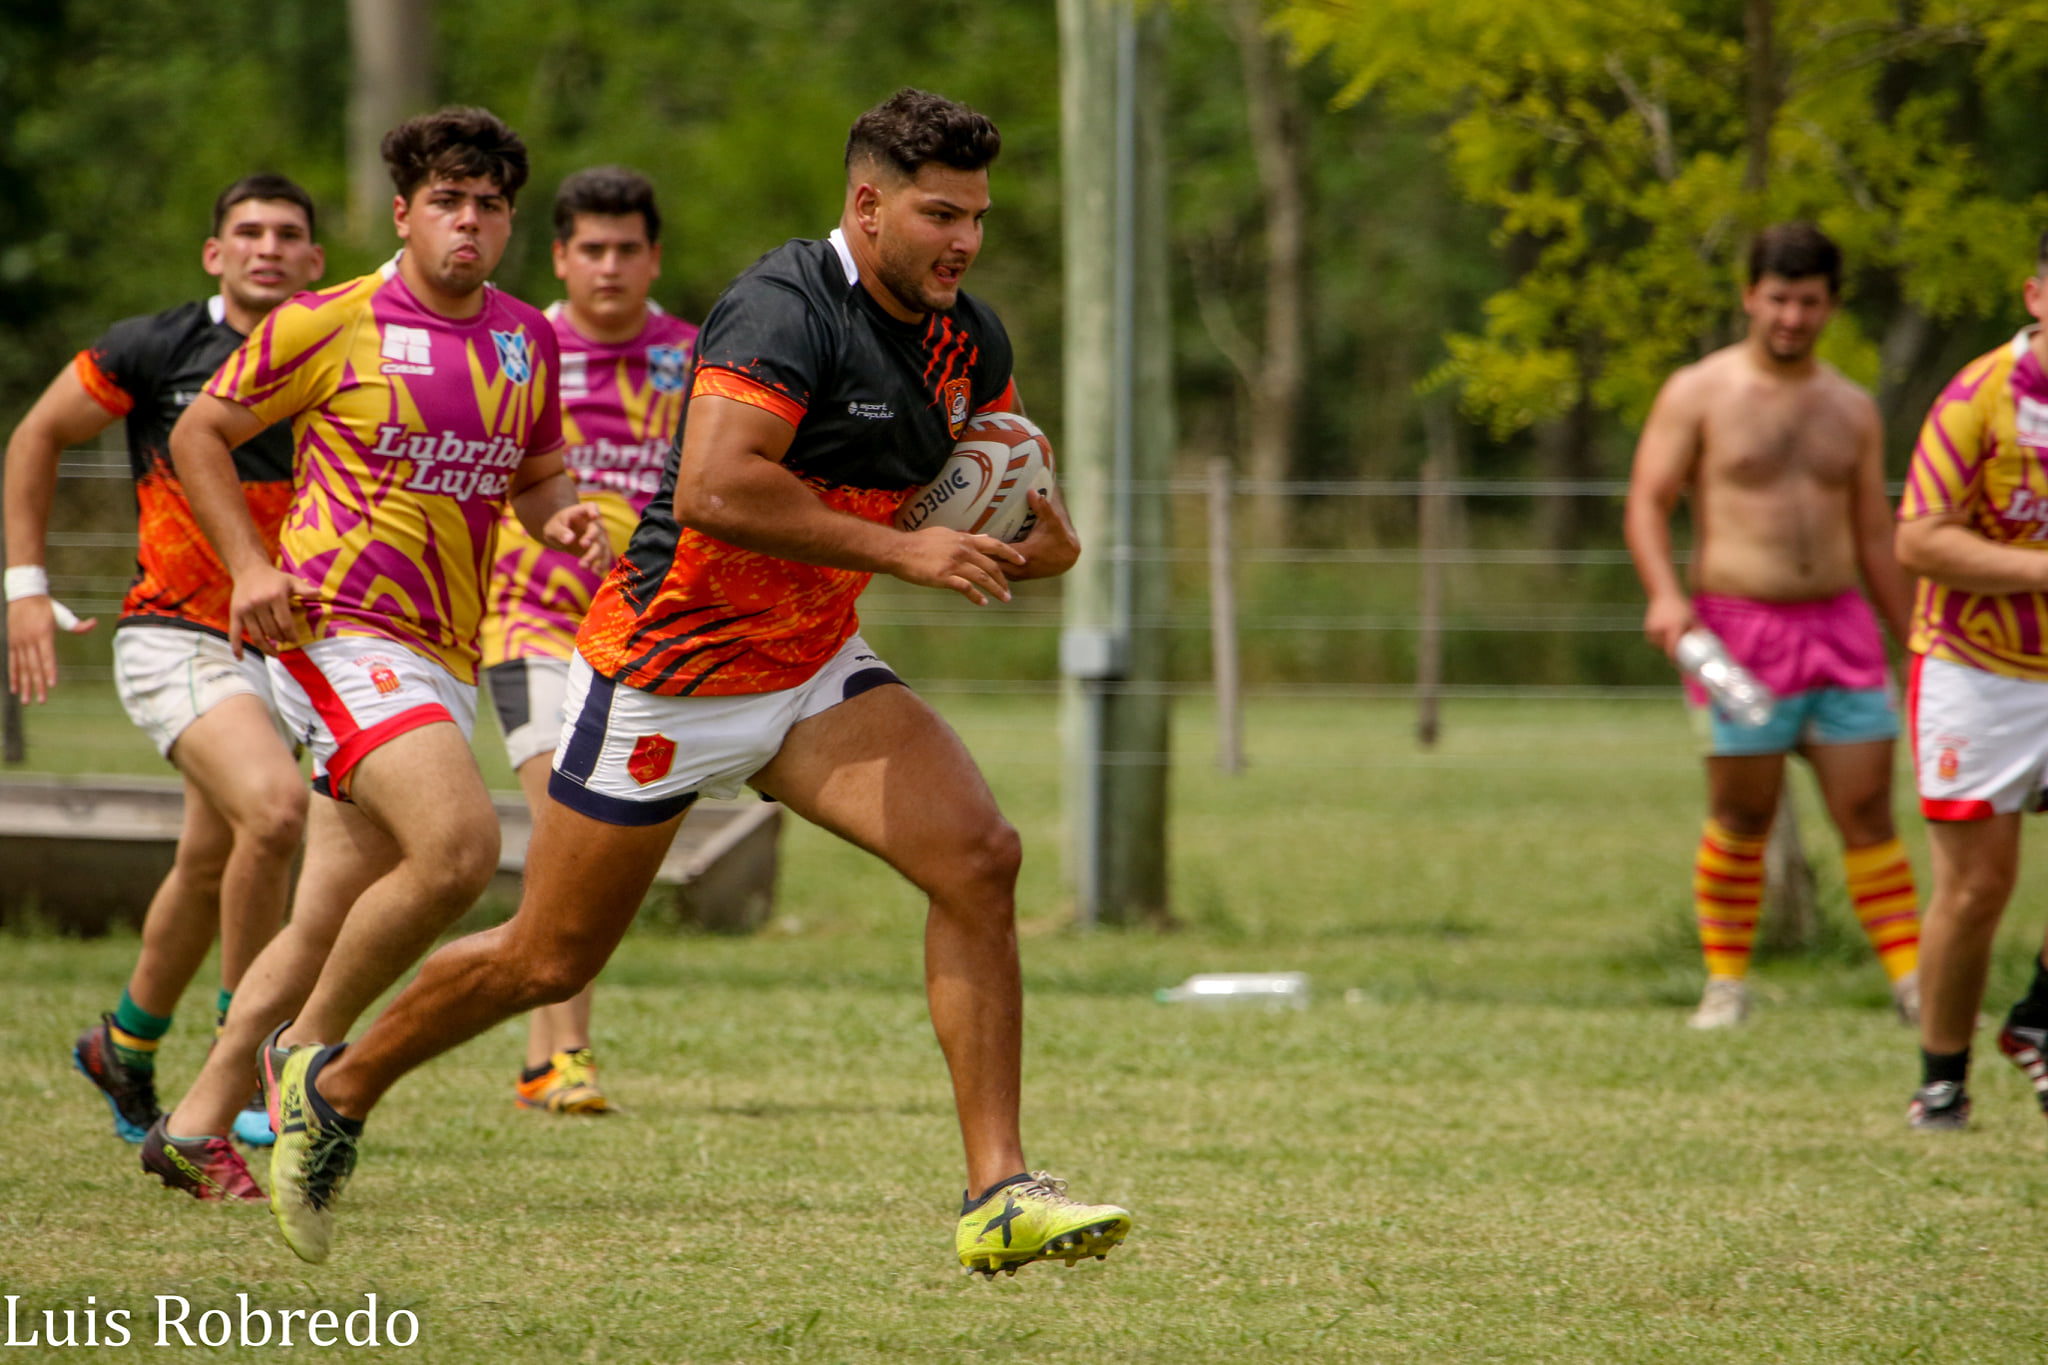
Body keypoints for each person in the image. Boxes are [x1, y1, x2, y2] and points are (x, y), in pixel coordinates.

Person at [263, 88, 1132, 1275]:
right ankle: (340, 1085)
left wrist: (1044, 540)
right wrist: (903, 550)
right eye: (939, 214)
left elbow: (1017, 476)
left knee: (979, 856)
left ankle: (998, 1192)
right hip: (670, 674)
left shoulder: (962, 333)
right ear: (867, 204)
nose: (964, 241)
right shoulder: (781, 308)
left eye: (976, 216)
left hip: (812, 667)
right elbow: (717, 487)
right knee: (547, 960)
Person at [139, 106, 609, 1202]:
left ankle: (196, 1124)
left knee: (326, 914)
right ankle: (313, 1063)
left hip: (445, 644)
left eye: (489, 206)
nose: (468, 223)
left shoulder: (522, 337)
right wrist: (251, 567)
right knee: (452, 853)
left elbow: (536, 475)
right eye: (447, 201)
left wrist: (567, 519)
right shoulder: (328, 317)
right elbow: (199, 432)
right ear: (403, 213)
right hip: (337, 632)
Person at [4, 175, 322, 1148]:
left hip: (286, 648)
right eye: (247, 232)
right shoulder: (157, 347)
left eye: (289, 235)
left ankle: (126, 1044)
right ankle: (248, 1057)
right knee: (274, 811)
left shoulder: (334, 350)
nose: (267, 247)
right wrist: (22, 586)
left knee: (213, 853)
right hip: (173, 632)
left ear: (315, 261)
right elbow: (38, 434)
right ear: (213, 253)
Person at [1624, 222, 1921, 1030]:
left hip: (1841, 631)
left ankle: (1910, 980)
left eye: (1810, 302)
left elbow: (1872, 532)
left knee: (1867, 810)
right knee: (1743, 813)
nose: (1793, 316)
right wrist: (1664, 595)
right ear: (1750, 295)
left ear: (1831, 306)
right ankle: (1726, 981)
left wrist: (1916, 640)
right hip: (1739, 632)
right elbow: (1647, 500)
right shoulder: (1698, 392)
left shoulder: (1851, 408)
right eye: (1780, 298)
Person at [479, 166, 699, 1115]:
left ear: (653, 257)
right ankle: (569, 1055)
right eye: (591, 249)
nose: (609, 266)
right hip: (524, 621)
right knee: (561, 819)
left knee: (579, 840)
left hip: (642, 636)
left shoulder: (698, 357)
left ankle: (539, 1058)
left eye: (627, 249)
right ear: (561, 256)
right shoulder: (520, 349)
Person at [1894, 230, 2048, 1130]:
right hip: (1977, 667)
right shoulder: (1979, 395)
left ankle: (2037, 1019)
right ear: (2035, 296)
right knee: (1977, 886)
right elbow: (1919, 537)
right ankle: (1941, 1081)